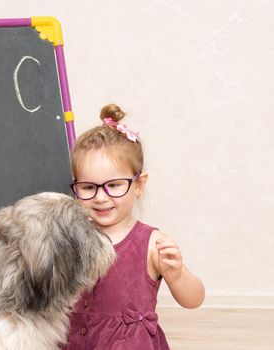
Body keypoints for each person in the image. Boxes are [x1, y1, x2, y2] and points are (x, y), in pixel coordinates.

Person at [62, 104, 205, 349]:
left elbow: (194, 299)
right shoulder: (70, 237)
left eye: (114, 185)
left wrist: (177, 275)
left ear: (138, 185)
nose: (100, 197)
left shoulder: (151, 243)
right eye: (88, 187)